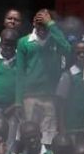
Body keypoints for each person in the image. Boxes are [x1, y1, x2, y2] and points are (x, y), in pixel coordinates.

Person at [16, 9, 70, 145]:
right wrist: (18, 101)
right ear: (34, 23)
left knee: (48, 134)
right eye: (39, 24)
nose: (42, 28)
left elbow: (68, 50)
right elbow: (20, 73)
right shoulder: (24, 42)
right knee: (29, 134)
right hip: (29, 96)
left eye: (45, 24)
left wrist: (51, 25)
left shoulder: (56, 41)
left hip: (49, 96)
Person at [56, 41, 84, 144]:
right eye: (78, 53)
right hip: (72, 125)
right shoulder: (68, 75)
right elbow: (60, 103)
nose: (82, 55)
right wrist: (62, 127)